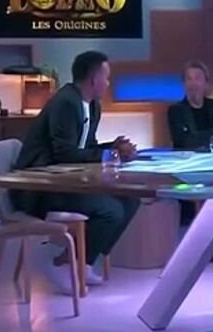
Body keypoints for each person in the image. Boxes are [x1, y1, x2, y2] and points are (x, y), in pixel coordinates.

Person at [12, 50, 142, 294]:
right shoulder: (65, 103)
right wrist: (107, 154)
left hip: (67, 184)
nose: (108, 83)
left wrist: (113, 148)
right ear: (93, 79)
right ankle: (62, 262)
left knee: (131, 200)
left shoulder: (92, 106)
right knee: (111, 210)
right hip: (40, 189)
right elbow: (63, 153)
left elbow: (85, 148)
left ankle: (84, 262)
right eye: (106, 77)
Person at [166, 60, 213, 151]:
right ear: (184, 84)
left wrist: (197, 137)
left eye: (197, 78)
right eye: (189, 79)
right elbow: (183, 142)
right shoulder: (176, 111)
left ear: (206, 83)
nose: (193, 83)